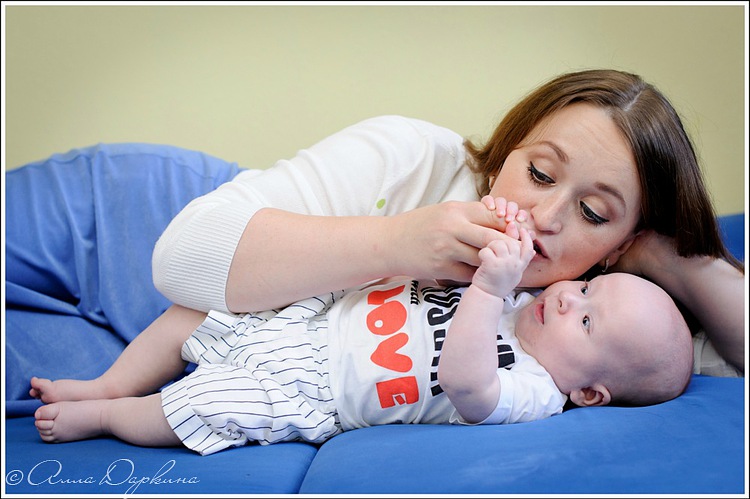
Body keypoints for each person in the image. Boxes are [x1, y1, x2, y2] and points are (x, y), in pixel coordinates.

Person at [149, 68, 744, 374]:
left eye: (593, 213)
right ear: (507, 152)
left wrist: (674, 260)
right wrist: (395, 242)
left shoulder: (601, 312)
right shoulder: (410, 157)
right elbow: (179, 258)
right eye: (539, 173)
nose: (544, 217)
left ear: (620, 243)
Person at [30, 213, 694, 455]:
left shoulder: (535, 390)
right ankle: (107, 382)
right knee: (195, 312)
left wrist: (490, 291)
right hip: (317, 317)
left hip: (314, 395)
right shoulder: (521, 287)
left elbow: (465, 384)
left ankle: (109, 416)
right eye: (588, 288)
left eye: (587, 320)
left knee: (201, 407)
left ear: (590, 392)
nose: (570, 297)